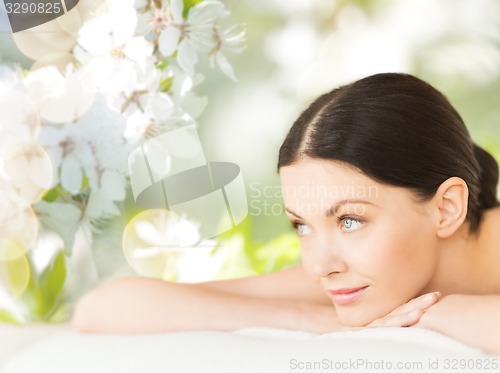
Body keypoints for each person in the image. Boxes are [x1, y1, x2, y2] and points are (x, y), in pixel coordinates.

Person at [72, 73, 500, 355]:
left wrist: (437, 314)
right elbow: (103, 308)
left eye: (349, 220)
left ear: (446, 208)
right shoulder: (359, 277)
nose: (318, 266)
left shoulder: (389, 279)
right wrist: (314, 320)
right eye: (302, 225)